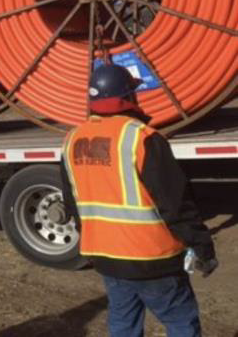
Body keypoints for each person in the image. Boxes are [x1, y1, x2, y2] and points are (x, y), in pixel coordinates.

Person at [60, 62, 217, 337]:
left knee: (123, 323)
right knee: (181, 322)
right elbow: (175, 203)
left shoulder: (72, 140)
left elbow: (72, 202)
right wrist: (202, 246)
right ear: (128, 97)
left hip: (106, 256)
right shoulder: (141, 138)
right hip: (152, 258)